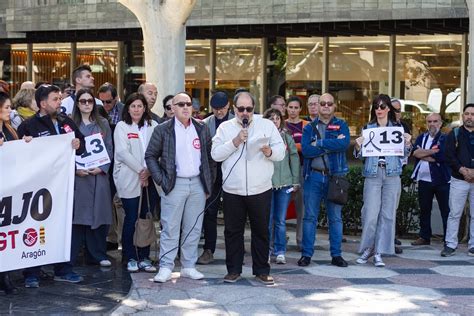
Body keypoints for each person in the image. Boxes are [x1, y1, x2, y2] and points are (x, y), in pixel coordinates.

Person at [212, 91, 285, 285]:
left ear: (254, 108)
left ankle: (261, 270)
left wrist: (269, 151)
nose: (245, 113)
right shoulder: (225, 128)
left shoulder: (267, 125)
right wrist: (235, 141)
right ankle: (233, 270)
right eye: (241, 109)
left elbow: (281, 151)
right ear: (234, 108)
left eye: (249, 109)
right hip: (233, 190)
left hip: (260, 188)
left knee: (261, 230)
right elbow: (215, 154)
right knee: (232, 231)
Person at [17, 84, 85, 287]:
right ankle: (31, 273)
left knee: (64, 228)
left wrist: (77, 144)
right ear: (43, 103)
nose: (59, 102)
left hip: (64, 186)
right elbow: (19, 156)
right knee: (36, 227)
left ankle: (63, 269)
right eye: (55, 99)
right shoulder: (29, 125)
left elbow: (81, 145)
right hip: (39, 189)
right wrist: (25, 144)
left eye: (60, 98)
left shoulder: (67, 122)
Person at [145, 92, 215, 283]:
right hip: (174, 184)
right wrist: (161, 179)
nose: (185, 107)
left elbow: (210, 159)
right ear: (173, 108)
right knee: (170, 227)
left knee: (193, 228)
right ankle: (166, 266)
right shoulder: (163, 129)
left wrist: (208, 183)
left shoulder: (201, 128)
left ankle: (188, 266)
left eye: (188, 104)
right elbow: (150, 155)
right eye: (180, 104)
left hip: (198, 184)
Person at [354, 94, 411, 267]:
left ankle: (379, 251)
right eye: (376, 106)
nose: (379, 110)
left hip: (392, 174)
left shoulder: (397, 128)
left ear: (389, 109)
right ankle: (368, 248)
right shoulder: (368, 128)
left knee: (387, 215)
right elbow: (361, 155)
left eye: (383, 106)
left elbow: (404, 154)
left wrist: (408, 145)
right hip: (373, 173)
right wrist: (358, 146)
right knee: (370, 214)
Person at [298, 93, 350, 268]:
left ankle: (336, 255)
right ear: (317, 107)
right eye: (323, 103)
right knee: (310, 217)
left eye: (329, 103)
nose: (326, 106)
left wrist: (319, 144)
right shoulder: (309, 128)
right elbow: (306, 151)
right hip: (313, 176)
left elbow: (344, 145)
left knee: (335, 218)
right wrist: (331, 144)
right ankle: (306, 255)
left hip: (335, 177)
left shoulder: (341, 124)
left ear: (334, 106)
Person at [113, 92, 158, 273]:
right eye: (133, 106)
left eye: (140, 106)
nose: (137, 109)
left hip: (150, 179)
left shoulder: (153, 125)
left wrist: (148, 172)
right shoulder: (122, 127)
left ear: (145, 108)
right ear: (128, 108)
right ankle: (130, 256)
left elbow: (157, 149)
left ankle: (144, 256)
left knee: (145, 218)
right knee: (131, 218)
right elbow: (123, 153)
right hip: (130, 179)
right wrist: (141, 171)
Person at [71, 89, 113, 267]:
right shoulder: (69, 124)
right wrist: (74, 169)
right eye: (83, 101)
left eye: (89, 101)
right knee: (77, 217)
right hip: (78, 179)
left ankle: (97, 254)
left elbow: (110, 149)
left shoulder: (103, 123)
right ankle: (71, 256)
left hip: (98, 177)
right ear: (77, 103)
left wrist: (102, 168)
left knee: (98, 216)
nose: (87, 104)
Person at [0, 91, 32, 295]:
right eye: (6, 108)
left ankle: (5, 276)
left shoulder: (10, 129)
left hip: (9, 190)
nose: (10, 111)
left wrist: (24, 142)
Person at [198, 91, 234, 265]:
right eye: (216, 109)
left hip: (232, 172)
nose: (219, 112)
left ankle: (234, 252)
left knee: (234, 213)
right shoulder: (205, 124)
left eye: (223, 109)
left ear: (229, 106)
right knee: (209, 212)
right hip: (212, 173)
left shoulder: (237, 121)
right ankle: (208, 250)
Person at [263, 108, 300, 264]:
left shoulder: (286, 137)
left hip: (284, 183)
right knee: (267, 219)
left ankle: (280, 251)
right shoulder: (261, 138)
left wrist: (295, 179)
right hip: (266, 184)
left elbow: (294, 158)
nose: (275, 121)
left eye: (277, 118)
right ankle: (266, 250)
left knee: (280, 220)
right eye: (271, 118)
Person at [411, 113, 450, 246]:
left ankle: (448, 239)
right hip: (424, 180)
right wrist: (431, 152)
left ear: (440, 123)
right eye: (429, 121)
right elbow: (414, 153)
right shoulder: (422, 137)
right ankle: (424, 236)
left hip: (442, 179)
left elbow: (443, 156)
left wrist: (423, 153)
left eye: (435, 121)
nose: (432, 124)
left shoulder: (445, 138)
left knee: (446, 210)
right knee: (424, 209)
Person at [442, 103, 474, 257]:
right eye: (467, 114)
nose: (469, 117)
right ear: (463, 116)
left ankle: (473, 246)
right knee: (455, 213)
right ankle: (450, 244)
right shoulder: (454, 133)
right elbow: (449, 156)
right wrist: (463, 170)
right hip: (458, 180)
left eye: (473, 114)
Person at [285, 96, 309, 250]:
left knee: (302, 208)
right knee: (281, 206)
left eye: (296, 107)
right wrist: (298, 146)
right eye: (290, 107)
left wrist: (291, 145)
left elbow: (308, 146)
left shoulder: (307, 126)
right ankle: (279, 240)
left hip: (301, 170)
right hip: (284, 171)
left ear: (301, 109)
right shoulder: (281, 124)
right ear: (286, 108)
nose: (293, 110)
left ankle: (301, 241)